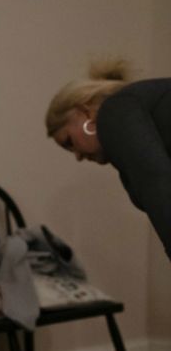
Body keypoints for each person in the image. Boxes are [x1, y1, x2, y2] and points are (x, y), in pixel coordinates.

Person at [45, 57, 171, 261]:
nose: (77, 156)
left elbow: (159, 187)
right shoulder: (130, 113)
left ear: (85, 112)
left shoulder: (114, 111)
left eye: (69, 141)